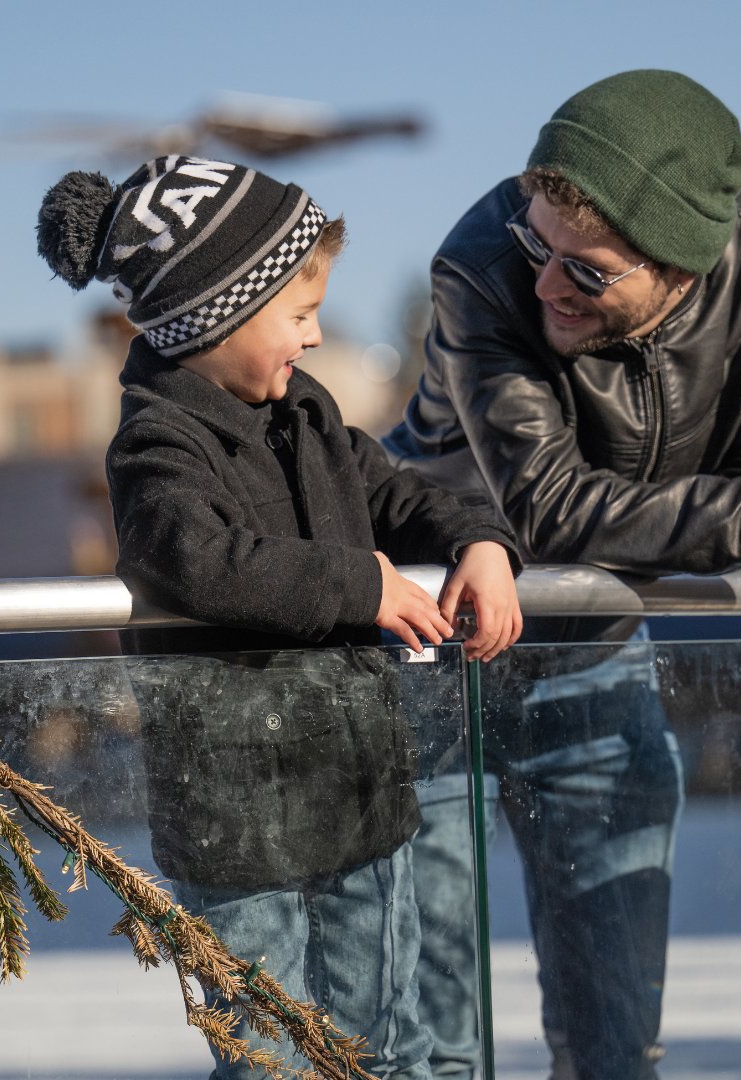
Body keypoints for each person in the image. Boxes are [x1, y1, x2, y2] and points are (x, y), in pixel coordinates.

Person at [382, 69, 741, 1080]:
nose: (548, 283)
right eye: (538, 248)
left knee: (616, 1047)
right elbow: (549, 509)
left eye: (587, 273)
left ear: (687, 268)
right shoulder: (475, 262)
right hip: (430, 647)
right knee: (431, 1051)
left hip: (592, 647)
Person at [36, 154, 523, 1080]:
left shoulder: (308, 413)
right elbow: (202, 562)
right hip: (236, 829)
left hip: (359, 799)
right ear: (217, 314)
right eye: (298, 315)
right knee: (269, 1056)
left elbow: (401, 491)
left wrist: (482, 542)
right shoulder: (156, 445)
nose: (314, 335)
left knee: (388, 1041)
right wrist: (361, 587)